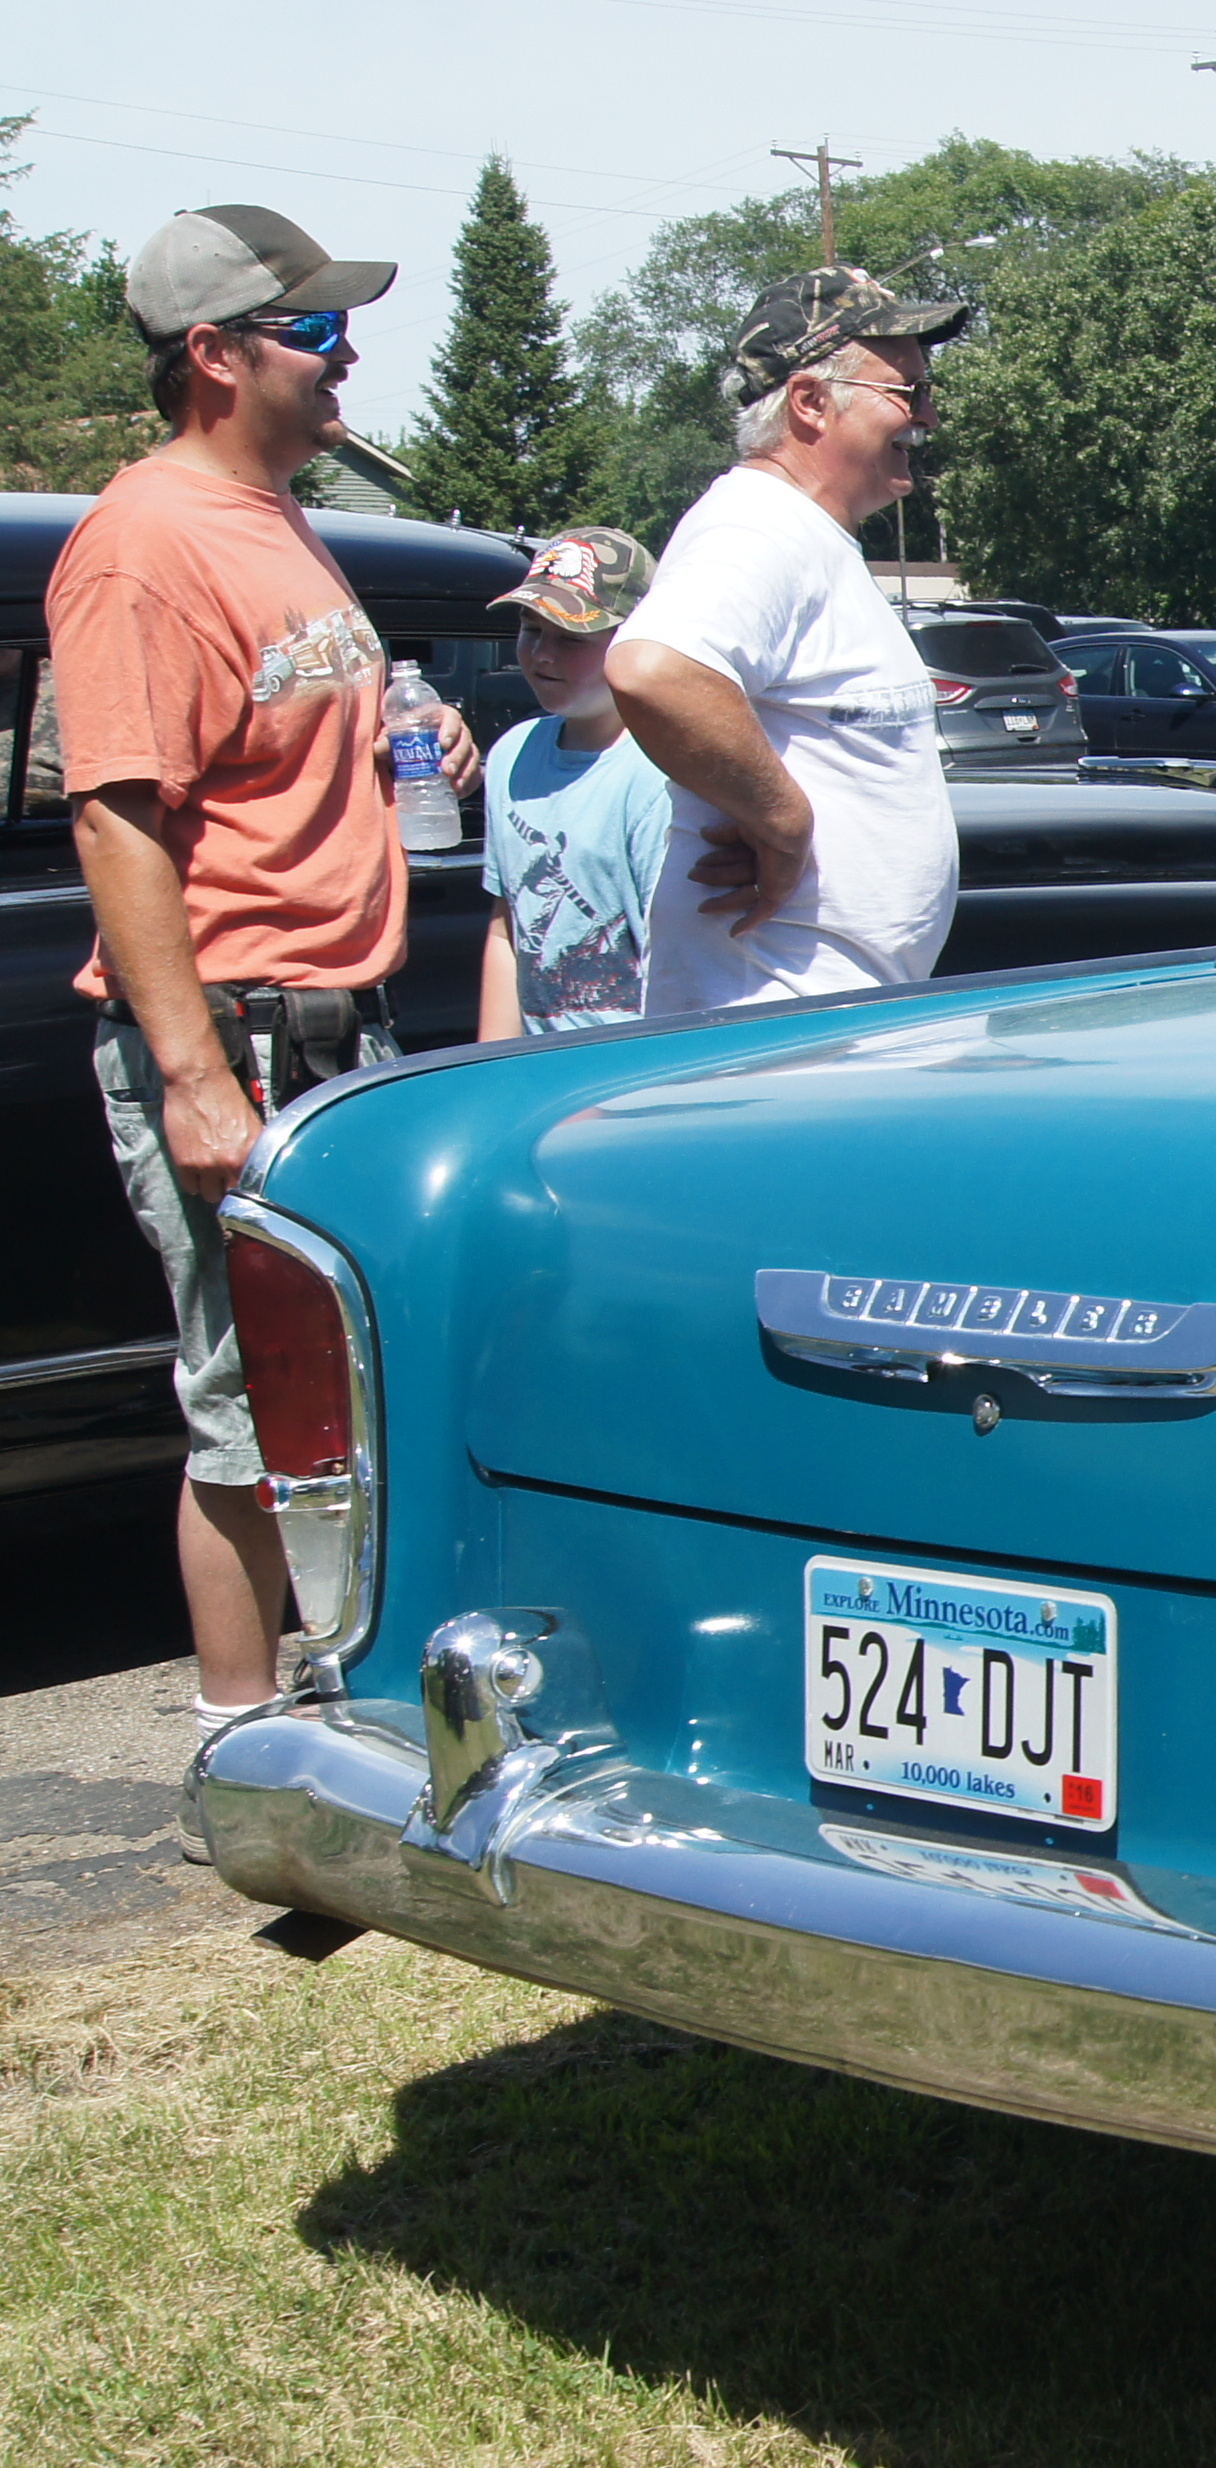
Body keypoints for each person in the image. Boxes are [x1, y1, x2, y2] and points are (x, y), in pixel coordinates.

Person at [51, 203, 477, 1768]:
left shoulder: (277, 517)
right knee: (248, 1398)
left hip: (332, 1019)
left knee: (349, 1384)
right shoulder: (141, 542)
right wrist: (190, 1071)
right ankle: (234, 1748)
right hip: (233, 1021)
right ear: (215, 356)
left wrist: (416, 745)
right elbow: (120, 814)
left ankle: (342, 1704)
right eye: (314, 330)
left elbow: (269, 746)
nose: (346, 352)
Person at [606, 266, 967, 1013]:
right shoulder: (758, 525)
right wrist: (782, 821)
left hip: (821, 1013)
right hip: (773, 1018)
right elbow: (653, 669)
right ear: (809, 402)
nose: (926, 417)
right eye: (907, 394)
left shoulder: (803, 533)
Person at [475, 529, 673, 1035]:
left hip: (632, 1068)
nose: (542, 654)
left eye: (570, 639)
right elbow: (506, 929)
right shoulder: (511, 755)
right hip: (542, 1073)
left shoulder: (661, 771)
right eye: (530, 629)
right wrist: (493, 1068)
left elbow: (675, 953)